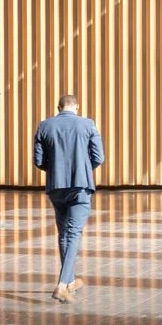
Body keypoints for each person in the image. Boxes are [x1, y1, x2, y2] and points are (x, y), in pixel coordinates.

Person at [33, 93, 105, 304]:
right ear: (77, 106)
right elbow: (98, 157)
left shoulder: (45, 126)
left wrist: (56, 171)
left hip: (56, 187)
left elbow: (39, 161)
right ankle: (62, 285)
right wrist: (82, 170)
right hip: (80, 187)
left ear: (58, 107)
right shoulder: (88, 124)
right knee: (73, 234)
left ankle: (71, 280)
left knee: (64, 233)